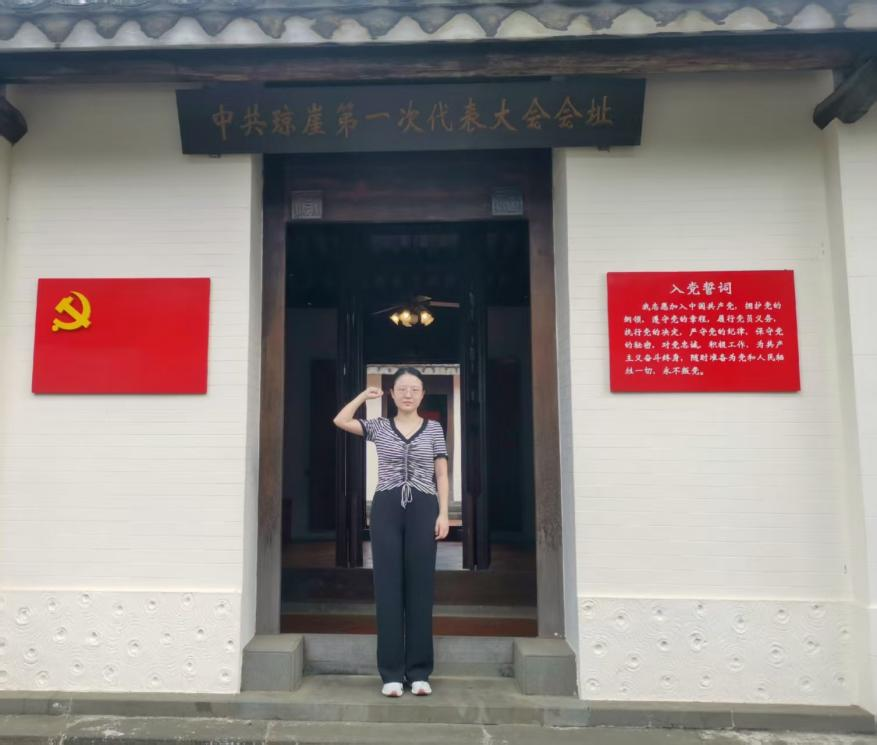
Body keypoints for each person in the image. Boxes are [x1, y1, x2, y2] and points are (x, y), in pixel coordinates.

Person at [333, 367, 450, 697]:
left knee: (420, 587)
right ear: (392, 394)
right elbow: (340, 420)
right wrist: (362, 395)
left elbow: (442, 474)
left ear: (422, 394)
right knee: (387, 588)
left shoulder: (434, 429)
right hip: (386, 507)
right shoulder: (380, 427)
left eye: (414, 389)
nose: (408, 394)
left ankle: (420, 672)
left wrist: (443, 513)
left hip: (424, 506)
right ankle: (392, 674)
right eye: (402, 389)